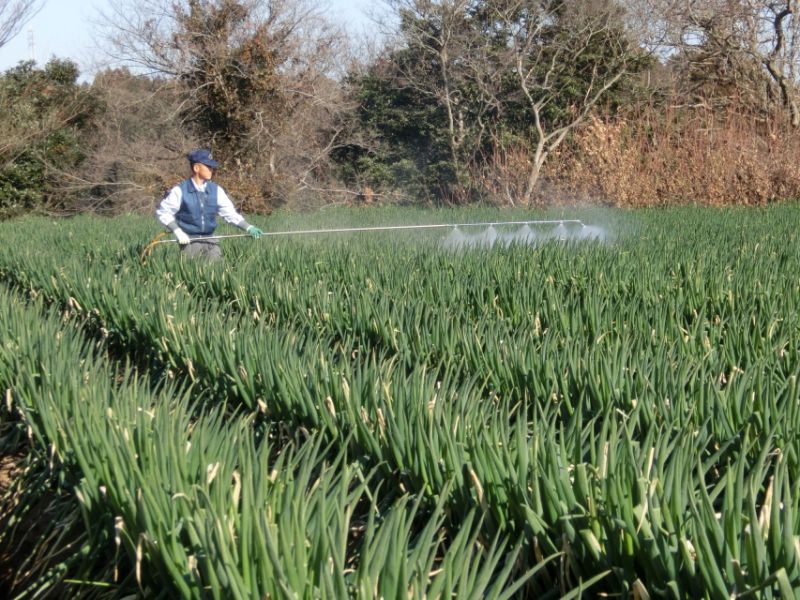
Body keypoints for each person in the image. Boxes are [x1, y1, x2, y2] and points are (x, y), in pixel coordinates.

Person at [156, 149, 264, 260]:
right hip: (189, 242)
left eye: (212, 167)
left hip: (211, 241)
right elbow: (164, 213)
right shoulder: (180, 191)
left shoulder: (216, 190)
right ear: (196, 168)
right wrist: (177, 231)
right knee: (192, 270)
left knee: (217, 269)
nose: (211, 170)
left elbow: (230, 214)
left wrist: (248, 227)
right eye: (208, 166)